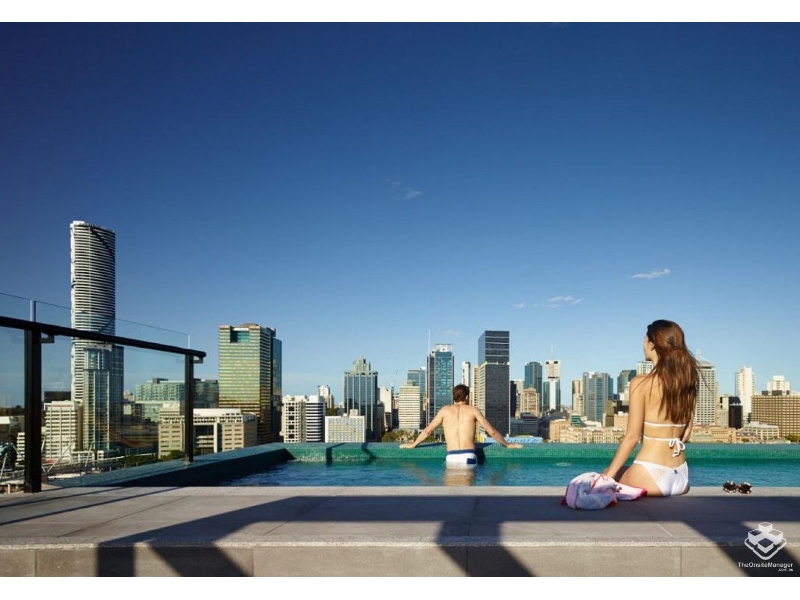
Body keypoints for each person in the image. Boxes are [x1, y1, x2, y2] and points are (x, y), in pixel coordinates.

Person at [603, 319, 699, 496]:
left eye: (645, 339)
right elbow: (686, 433)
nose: (643, 344)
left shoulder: (641, 383)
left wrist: (608, 475)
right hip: (681, 475)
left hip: (650, 473)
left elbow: (632, 437)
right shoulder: (687, 383)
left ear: (652, 344)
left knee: (604, 477)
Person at [400, 383, 522, 466]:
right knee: (467, 494)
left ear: (453, 396)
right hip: (468, 456)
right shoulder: (473, 410)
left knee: (451, 494)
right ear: (467, 396)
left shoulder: (444, 411)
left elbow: (428, 431)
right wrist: (507, 444)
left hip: (451, 457)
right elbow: (491, 432)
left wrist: (414, 444)